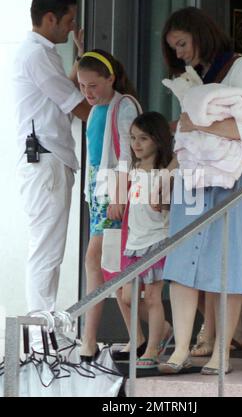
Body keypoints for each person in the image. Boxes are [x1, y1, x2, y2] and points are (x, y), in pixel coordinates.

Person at [158, 7, 242, 375]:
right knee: (180, 262)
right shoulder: (191, 76)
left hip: (237, 174)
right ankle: (179, 349)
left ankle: (220, 351)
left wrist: (197, 124)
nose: (178, 53)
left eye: (181, 43)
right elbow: (189, 131)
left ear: (199, 34)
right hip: (195, 175)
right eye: (173, 48)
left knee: (231, 264)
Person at [13, 0, 90, 333]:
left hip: (47, 160)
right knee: (47, 249)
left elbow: (61, 91)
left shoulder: (41, 53)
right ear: (49, 19)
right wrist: (117, 115)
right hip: (46, 162)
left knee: (49, 248)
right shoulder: (37, 54)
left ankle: (41, 329)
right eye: (69, 21)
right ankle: (40, 332)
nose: (72, 27)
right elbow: (76, 104)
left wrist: (79, 60)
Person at [76, 49, 141, 360]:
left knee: (98, 260)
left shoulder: (123, 105)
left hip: (112, 197)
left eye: (93, 85)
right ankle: (139, 333)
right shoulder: (97, 109)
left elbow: (128, 153)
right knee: (107, 264)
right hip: (98, 194)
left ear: (111, 78)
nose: (87, 93)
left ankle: (89, 340)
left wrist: (119, 194)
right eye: (82, 86)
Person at [112, 112, 174, 368]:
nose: (136, 144)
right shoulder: (134, 168)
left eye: (144, 139)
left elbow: (180, 159)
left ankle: (152, 349)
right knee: (126, 296)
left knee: (152, 298)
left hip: (156, 241)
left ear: (158, 141)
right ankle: (165, 329)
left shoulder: (165, 173)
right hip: (134, 243)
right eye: (133, 138)